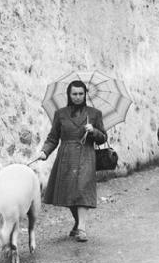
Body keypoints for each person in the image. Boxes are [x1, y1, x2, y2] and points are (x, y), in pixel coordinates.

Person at [37, 80, 107, 242]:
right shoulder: (60, 114)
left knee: (82, 189)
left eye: (81, 94)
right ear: (69, 95)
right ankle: (77, 222)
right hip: (66, 156)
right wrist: (44, 152)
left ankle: (82, 228)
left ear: (85, 95)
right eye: (74, 94)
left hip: (86, 155)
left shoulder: (94, 114)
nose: (77, 97)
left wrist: (94, 131)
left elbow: (103, 138)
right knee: (68, 193)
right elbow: (53, 137)